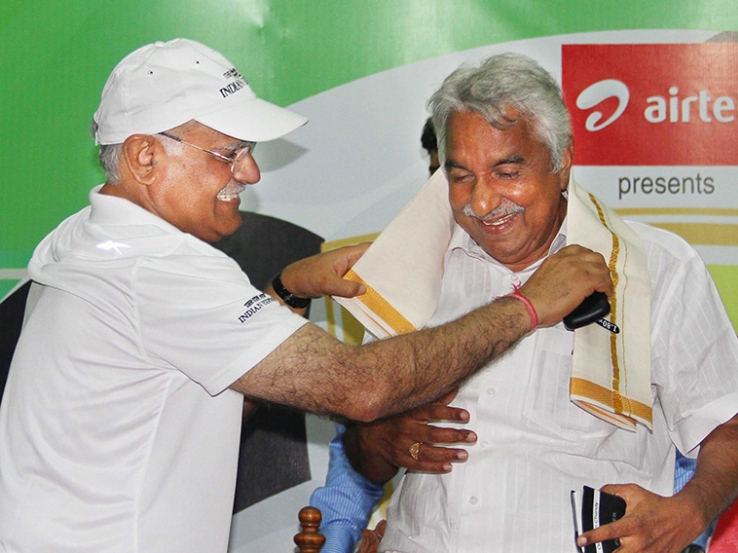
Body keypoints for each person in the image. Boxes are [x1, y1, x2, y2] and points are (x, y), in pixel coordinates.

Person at [0, 40, 612, 552]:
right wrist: (528, 305)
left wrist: (288, 289)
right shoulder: (159, 269)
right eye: (230, 153)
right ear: (144, 156)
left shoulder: (83, 238)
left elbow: (212, 391)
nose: (250, 173)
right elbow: (362, 388)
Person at [310, 53, 738, 553]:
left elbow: (728, 426)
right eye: (461, 176)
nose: (482, 202)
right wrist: (374, 439)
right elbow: (365, 455)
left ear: (561, 161)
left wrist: (688, 512)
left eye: (507, 172)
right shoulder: (414, 264)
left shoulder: (654, 265)